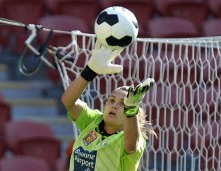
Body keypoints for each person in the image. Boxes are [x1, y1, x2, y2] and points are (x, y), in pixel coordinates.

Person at [52, 41, 156, 171]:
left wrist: (131, 110)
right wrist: (90, 71)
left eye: (123, 104)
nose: (114, 106)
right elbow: (68, 101)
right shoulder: (93, 120)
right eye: (111, 100)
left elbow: (130, 147)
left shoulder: (133, 138)